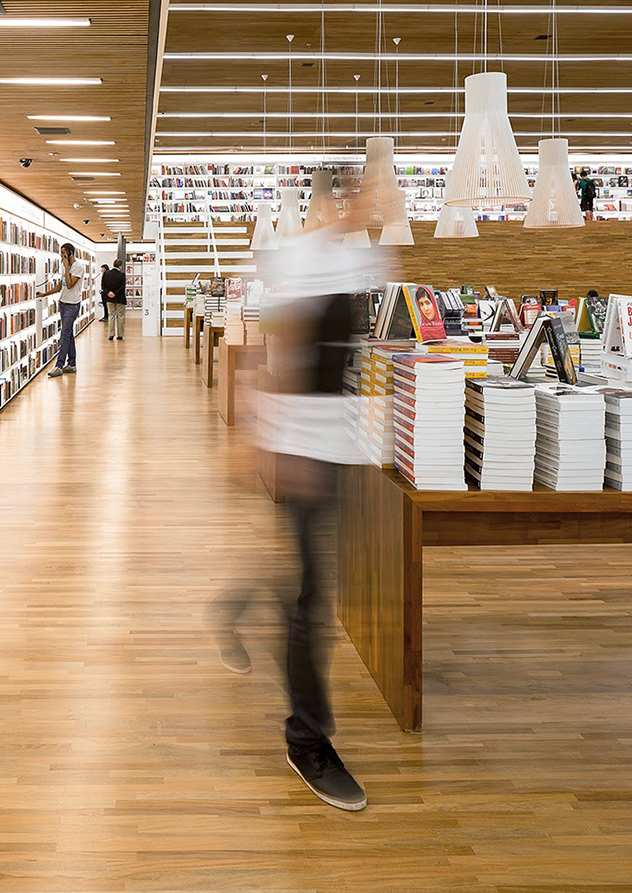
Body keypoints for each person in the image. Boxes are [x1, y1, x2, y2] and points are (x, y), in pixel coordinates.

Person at [210, 181, 385, 813]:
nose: (368, 203)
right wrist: (267, 439)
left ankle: (234, 605)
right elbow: (280, 352)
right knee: (312, 595)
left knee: (306, 579)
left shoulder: (361, 256)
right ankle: (305, 738)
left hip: (331, 446)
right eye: (354, 194)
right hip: (303, 449)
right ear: (326, 201)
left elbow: (344, 356)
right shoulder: (307, 258)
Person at [47, 242, 83, 378]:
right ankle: (72, 364)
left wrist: (67, 267)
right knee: (69, 335)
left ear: (70, 254)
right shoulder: (66, 268)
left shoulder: (78, 267)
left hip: (72, 305)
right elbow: (60, 286)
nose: (61, 257)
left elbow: (69, 285)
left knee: (64, 335)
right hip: (63, 304)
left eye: (63, 254)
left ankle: (59, 365)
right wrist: (44, 294)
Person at [103, 259, 127, 341]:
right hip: (120, 298)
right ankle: (120, 335)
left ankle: (111, 334)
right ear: (120, 266)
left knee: (111, 316)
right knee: (120, 316)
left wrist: (109, 293)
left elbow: (103, 285)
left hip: (109, 298)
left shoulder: (106, 274)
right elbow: (122, 287)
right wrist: (115, 293)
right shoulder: (122, 275)